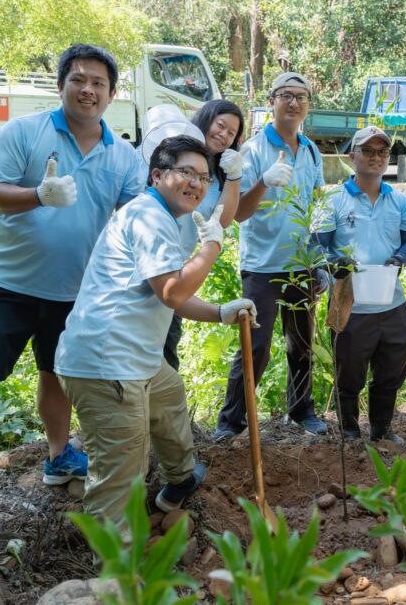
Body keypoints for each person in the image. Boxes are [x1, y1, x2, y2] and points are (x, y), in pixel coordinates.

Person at [0, 44, 147, 526]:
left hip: (75, 289)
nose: (88, 89)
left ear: (111, 94)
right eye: (79, 79)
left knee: (56, 374)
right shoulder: (25, 132)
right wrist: (38, 195)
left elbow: (135, 217)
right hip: (7, 281)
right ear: (61, 84)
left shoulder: (123, 155)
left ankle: (59, 455)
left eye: (98, 83)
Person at [54, 134, 257, 526]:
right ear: (157, 175)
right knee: (119, 478)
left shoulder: (163, 216)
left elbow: (170, 294)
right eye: (186, 172)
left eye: (203, 176)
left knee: (169, 394)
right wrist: (211, 249)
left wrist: (220, 312)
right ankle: (117, 575)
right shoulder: (148, 216)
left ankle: (179, 480)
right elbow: (172, 291)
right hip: (108, 364)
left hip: (137, 357)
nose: (196, 183)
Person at [213, 72, 328, 439]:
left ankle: (301, 411)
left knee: (302, 345)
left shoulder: (311, 150)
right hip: (262, 265)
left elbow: (318, 209)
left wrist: (320, 261)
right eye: (285, 95)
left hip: (301, 265)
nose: (293, 103)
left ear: (308, 104)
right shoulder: (254, 149)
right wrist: (263, 180)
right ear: (272, 101)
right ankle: (231, 423)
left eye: (300, 96)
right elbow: (239, 214)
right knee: (255, 346)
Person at [313, 126, 406, 444]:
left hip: (390, 299)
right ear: (352, 156)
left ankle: (382, 428)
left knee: (393, 365)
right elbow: (317, 245)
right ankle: (348, 429)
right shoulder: (332, 200)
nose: (375, 158)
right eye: (368, 151)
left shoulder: (398, 199)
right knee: (350, 370)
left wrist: (399, 259)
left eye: (382, 152)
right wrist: (334, 266)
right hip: (349, 301)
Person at [152, 100, 247, 370]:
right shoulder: (172, 155)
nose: (224, 135)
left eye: (231, 133)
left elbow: (224, 219)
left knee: (168, 346)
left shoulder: (217, 173)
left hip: (178, 266)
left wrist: (234, 176)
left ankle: (160, 409)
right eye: (221, 125)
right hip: (150, 260)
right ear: (205, 119)